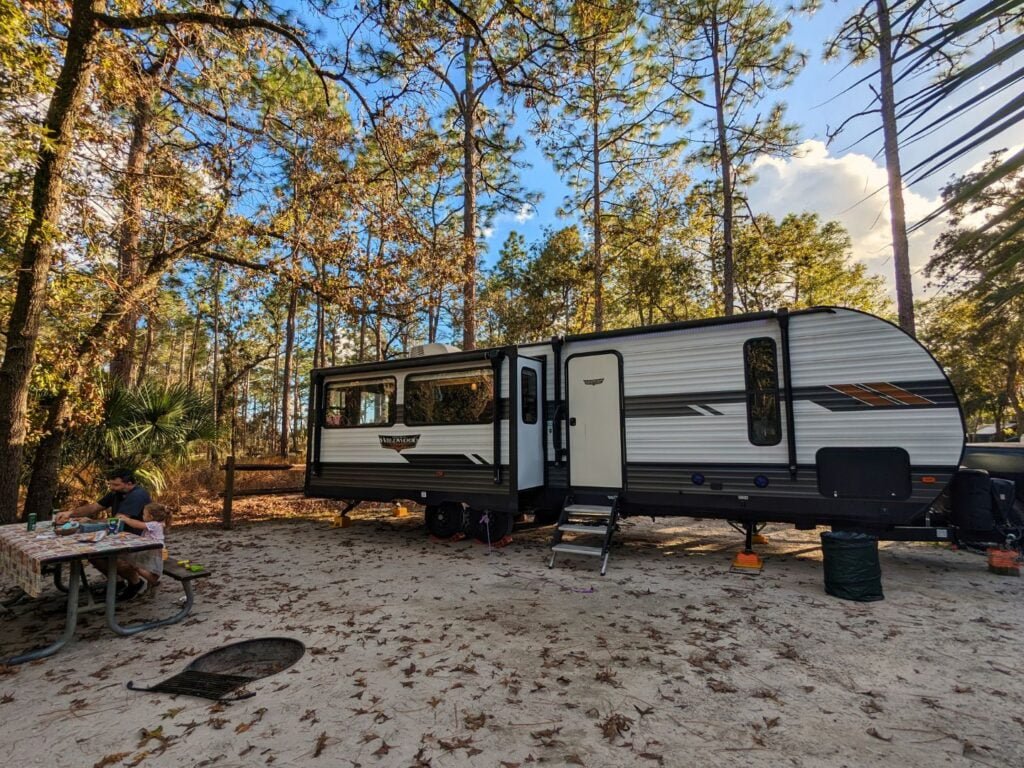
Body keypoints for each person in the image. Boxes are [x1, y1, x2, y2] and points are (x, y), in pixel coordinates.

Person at [56, 469, 151, 534]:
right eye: (110, 484)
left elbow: (118, 520)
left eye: (116, 485)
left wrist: (91, 522)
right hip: (117, 533)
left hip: (135, 538)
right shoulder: (116, 492)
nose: (112, 487)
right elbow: (94, 507)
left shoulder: (137, 495)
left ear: (129, 484)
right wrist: (69, 513)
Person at [115, 502, 169, 601]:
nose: (142, 516)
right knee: (136, 563)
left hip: (155, 551)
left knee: (146, 571)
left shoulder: (154, 524)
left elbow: (138, 525)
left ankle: (155, 583)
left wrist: (126, 519)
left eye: (144, 514)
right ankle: (150, 585)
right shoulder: (156, 524)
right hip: (150, 550)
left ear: (151, 516)